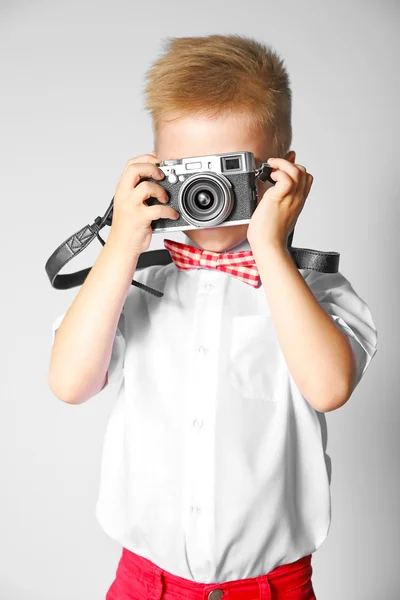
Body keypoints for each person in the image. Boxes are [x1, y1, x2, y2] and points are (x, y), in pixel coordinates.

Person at [48, 34, 378, 600]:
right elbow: (70, 384)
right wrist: (121, 244)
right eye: (187, 172)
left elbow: (328, 388)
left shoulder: (317, 288)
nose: (207, 194)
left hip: (273, 587)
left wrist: (270, 247)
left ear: (281, 174)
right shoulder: (135, 282)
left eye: (229, 172)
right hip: (142, 583)